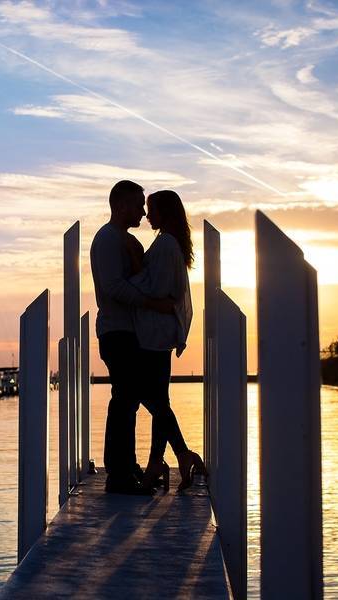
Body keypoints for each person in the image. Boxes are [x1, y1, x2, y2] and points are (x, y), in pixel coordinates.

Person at [90, 180, 174, 494]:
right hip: (116, 331)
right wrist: (154, 304)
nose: (142, 211)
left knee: (130, 401)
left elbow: (140, 278)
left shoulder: (128, 242)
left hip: (131, 332)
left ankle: (128, 467)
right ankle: (119, 475)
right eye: (139, 205)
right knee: (125, 399)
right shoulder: (108, 239)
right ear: (123, 205)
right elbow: (114, 288)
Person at [130, 190, 206, 491]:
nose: (147, 216)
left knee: (149, 397)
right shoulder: (172, 244)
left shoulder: (165, 244)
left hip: (154, 334)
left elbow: (156, 288)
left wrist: (126, 277)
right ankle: (167, 459)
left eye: (152, 211)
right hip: (158, 333)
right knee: (159, 400)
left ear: (165, 213)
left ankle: (169, 458)